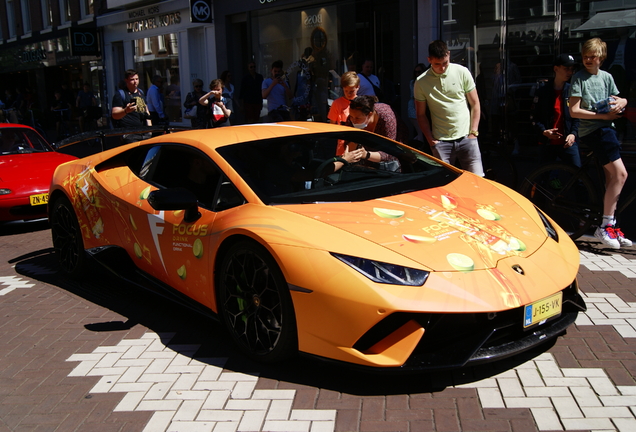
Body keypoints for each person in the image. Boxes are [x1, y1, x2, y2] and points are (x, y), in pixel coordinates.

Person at [569, 38, 631, 249]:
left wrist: (623, 102)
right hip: (595, 131)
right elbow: (574, 111)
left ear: (601, 58)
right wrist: (602, 117)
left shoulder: (607, 77)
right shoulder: (579, 78)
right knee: (621, 174)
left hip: (607, 130)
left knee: (612, 178)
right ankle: (605, 226)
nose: (588, 59)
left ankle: (611, 224)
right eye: (585, 56)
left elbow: (617, 98)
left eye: (592, 56)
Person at [415, 40, 484, 176]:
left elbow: (475, 103)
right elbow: (420, 114)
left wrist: (473, 132)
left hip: (466, 137)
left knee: (477, 181)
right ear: (429, 60)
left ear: (449, 55)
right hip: (441, 141)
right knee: (445, 185)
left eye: (445, 63)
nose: (442, 68)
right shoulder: (421, 82)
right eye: (437, 64)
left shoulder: (462, 72)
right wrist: (430, 139)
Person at [531, 54, 581, 168]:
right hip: (547, 142)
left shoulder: (572, 91)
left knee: (578, 175)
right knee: (542, 176)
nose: (569, 72)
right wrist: (543, 131)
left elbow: (577, 116)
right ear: (556, 69)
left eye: (572, 69)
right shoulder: (543, 91)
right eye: (566, 68)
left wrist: (573, 134)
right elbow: (534, 116)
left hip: (568, 142)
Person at [111, 69, 152, 143]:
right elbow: (114, 115)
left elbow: (146, 111)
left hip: (144, 133)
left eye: (137, 79)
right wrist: (126, 110)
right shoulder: (121, 94)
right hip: (129, 134)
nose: (135, 81)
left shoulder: (140, 92)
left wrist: (150, 130)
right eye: (132, 79)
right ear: (126, 80)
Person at [408, 63, 426, 145]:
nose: (418, 74)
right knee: (419, 130)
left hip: (422, 105)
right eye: (416, 72)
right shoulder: (413, 82)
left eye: (419, 72)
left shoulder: (426, 81)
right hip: (414, 105)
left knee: (422, 129)